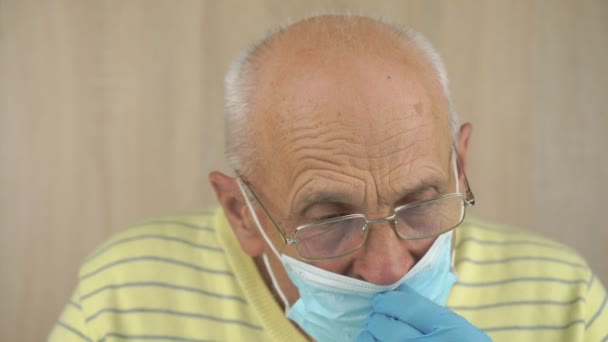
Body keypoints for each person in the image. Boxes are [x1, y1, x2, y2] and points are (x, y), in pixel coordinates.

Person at [49, 14, 607, 342]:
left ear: (460, 168)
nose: (388, 269)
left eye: (420, 204)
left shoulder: (562, 298)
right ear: (241, 212)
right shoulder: (125, 295)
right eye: (332, 222)